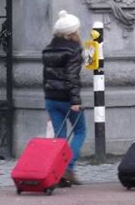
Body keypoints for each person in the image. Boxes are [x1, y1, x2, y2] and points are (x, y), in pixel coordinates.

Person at [42, 10, 86, 186]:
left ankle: (58, 171)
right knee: (81, 131)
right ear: (72, 32)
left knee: (59, 136)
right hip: (68, 98)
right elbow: (72, 77)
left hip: (51, 97)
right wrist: (75, 101)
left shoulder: (48, 49)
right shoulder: (74, 50)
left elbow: (45, 76)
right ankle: (68, 167)